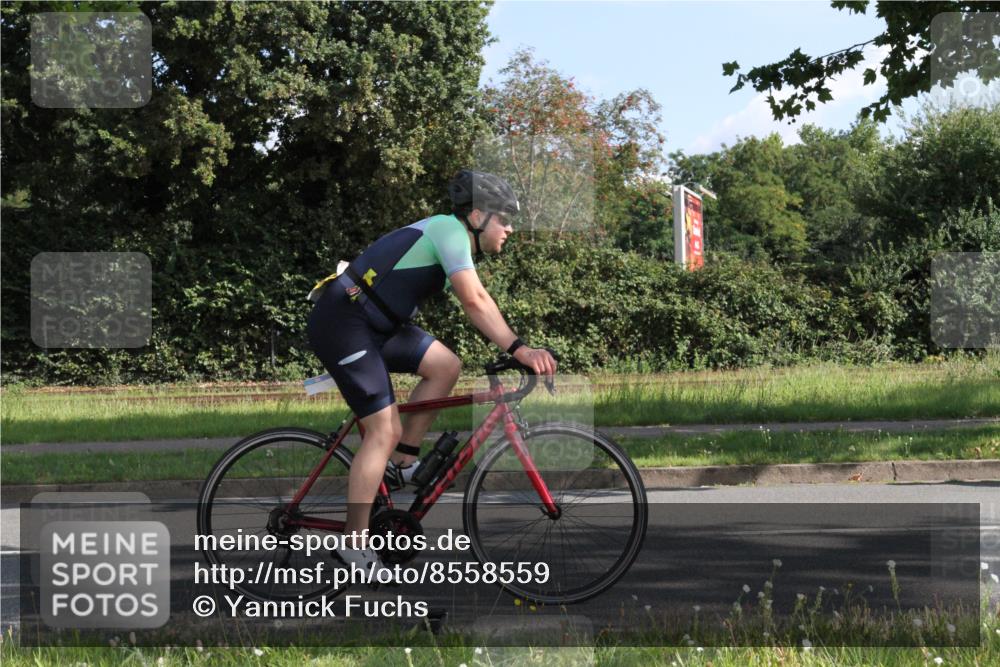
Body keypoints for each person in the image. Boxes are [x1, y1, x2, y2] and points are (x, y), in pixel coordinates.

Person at [306, 170, 557, 576]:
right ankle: (353, 546)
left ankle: (400, 462)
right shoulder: (449, 230)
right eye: (504, 218)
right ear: (477, 216)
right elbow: (475, 301)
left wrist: (514, 345)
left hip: (374, 325)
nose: (510, 228)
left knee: (446, 365)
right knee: (383, 430)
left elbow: (476, 301)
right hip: (344, 322)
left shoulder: (452, 237)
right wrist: (519, 348)